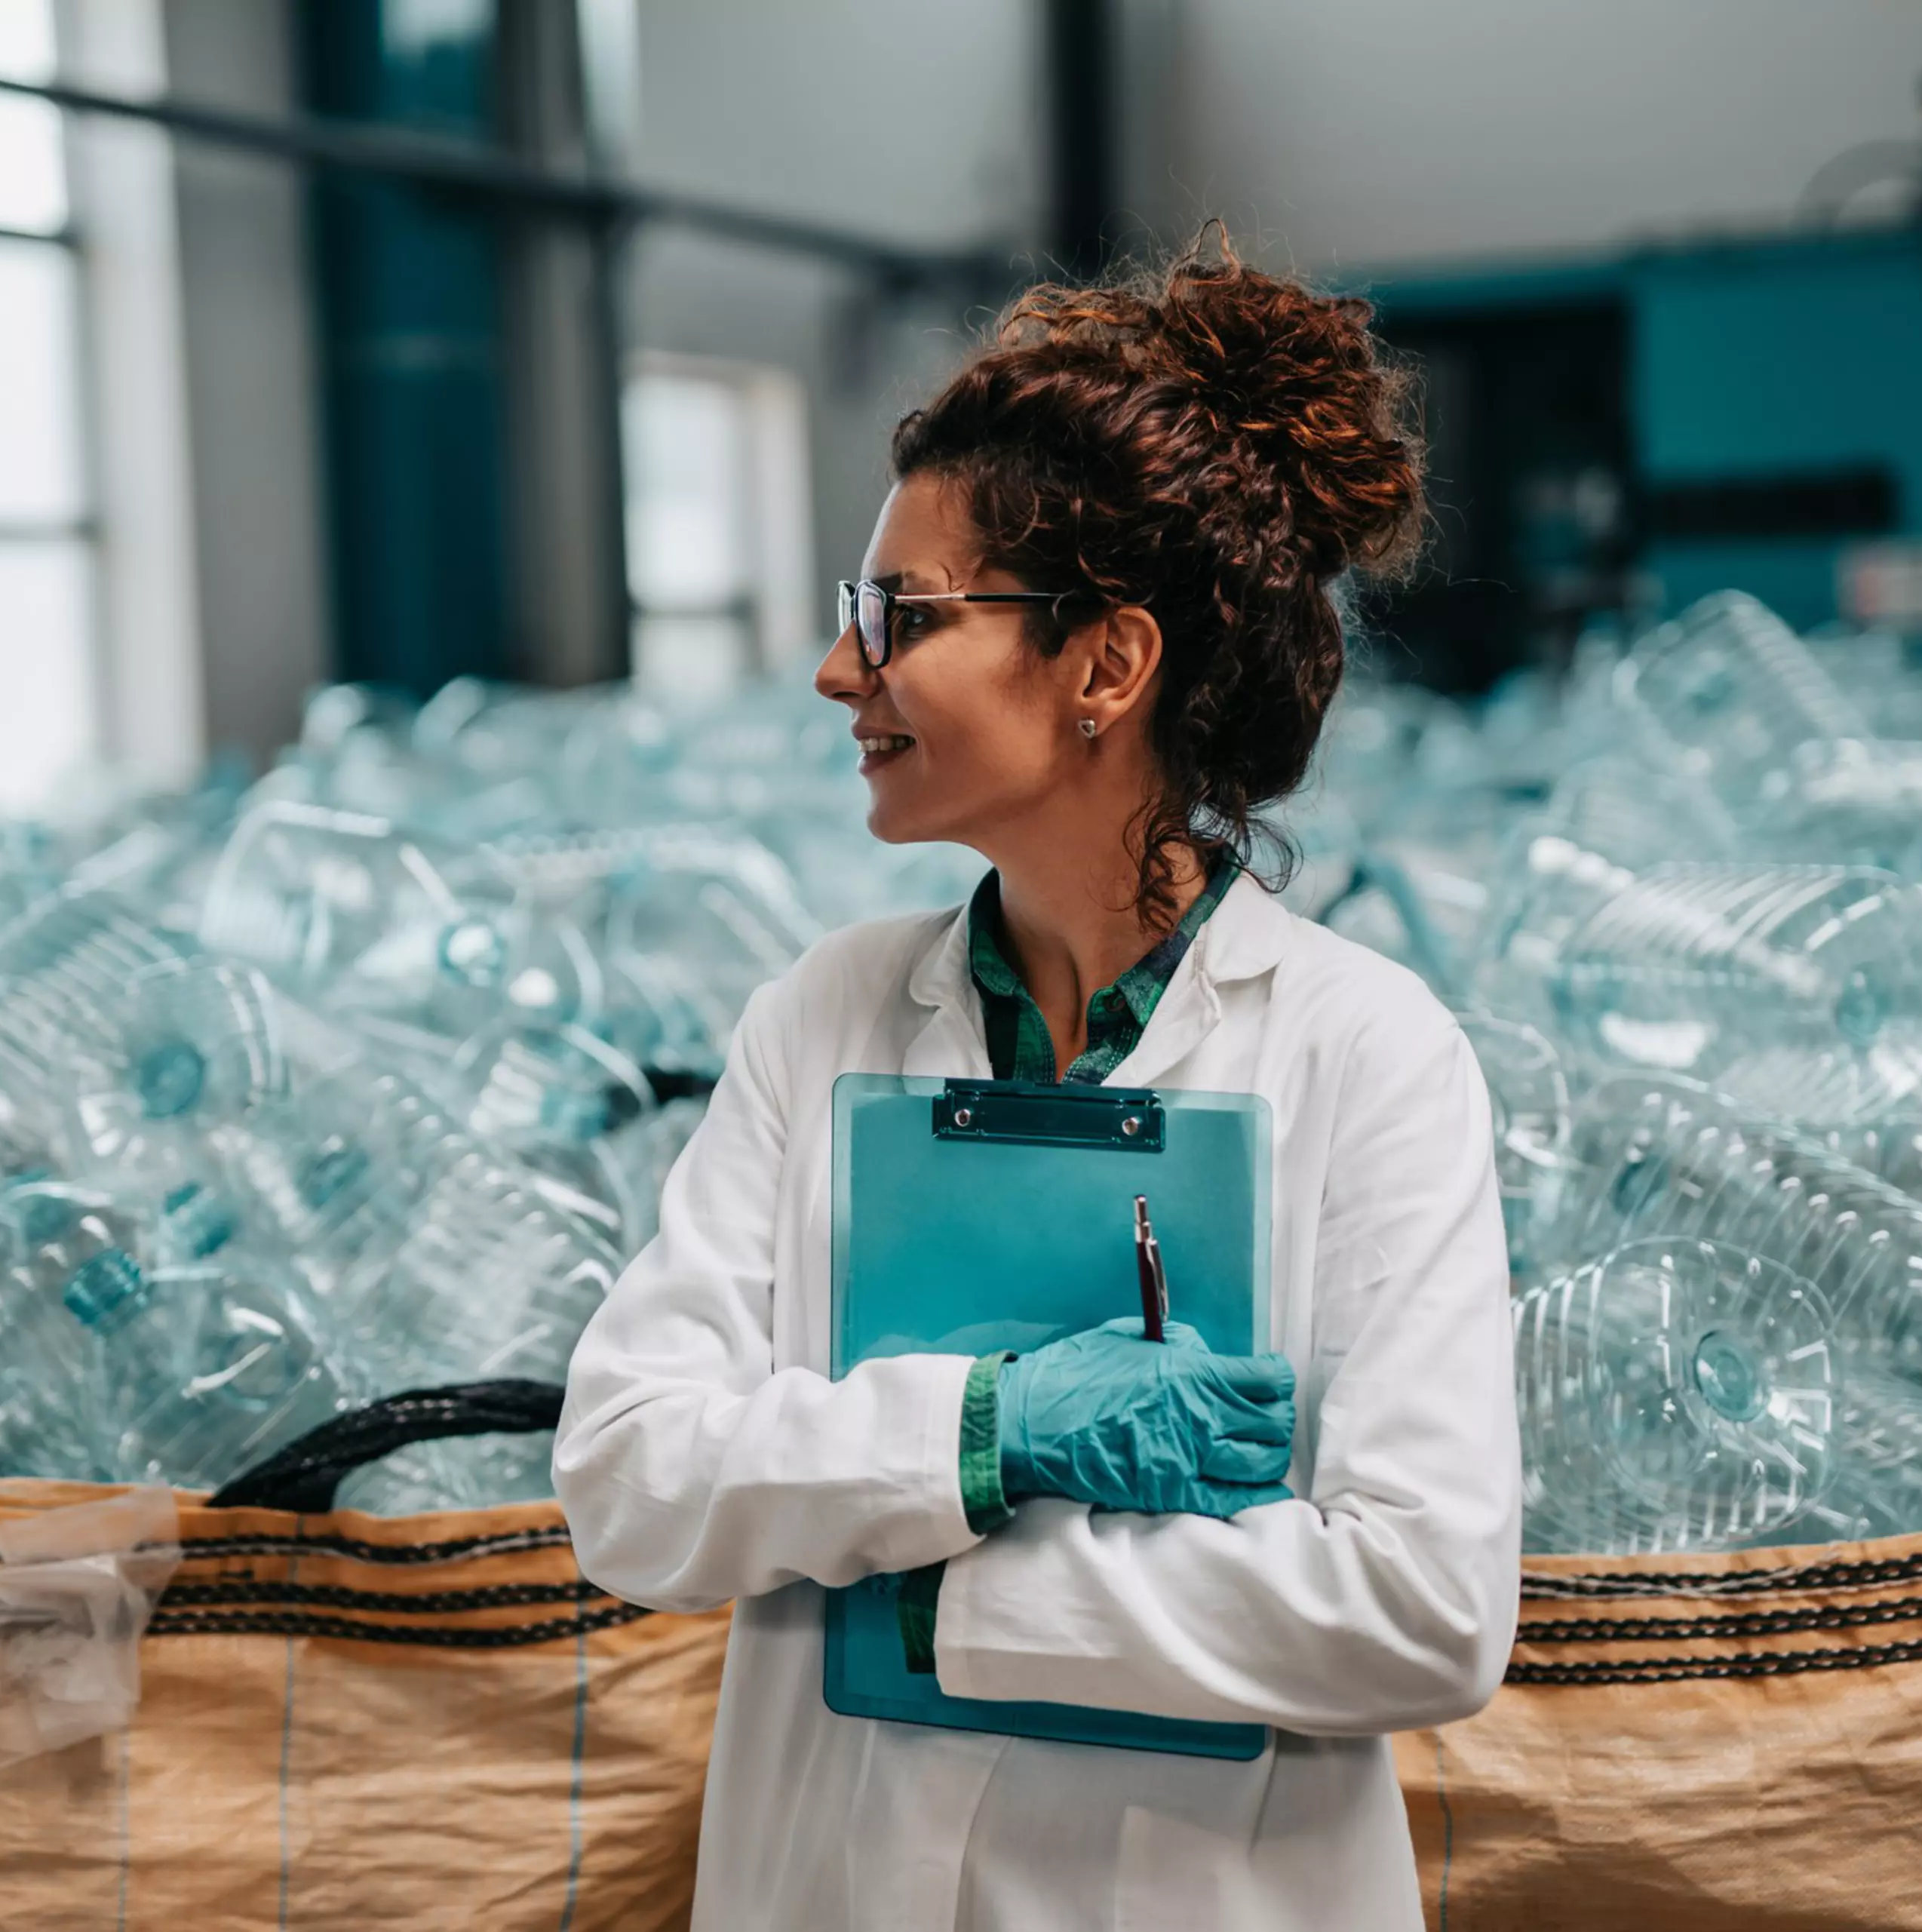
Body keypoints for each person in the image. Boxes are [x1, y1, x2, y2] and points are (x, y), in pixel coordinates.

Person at [554, 234, 1518, 1931]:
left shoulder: (1363, 1054)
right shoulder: (827, 1012)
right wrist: (988, 1430)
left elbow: (1422, 1600)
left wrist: (929, 1594)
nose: (843, 671)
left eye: (902, 617)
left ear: (1104, 666)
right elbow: (630, 1477)